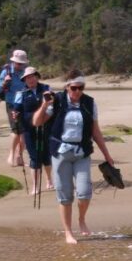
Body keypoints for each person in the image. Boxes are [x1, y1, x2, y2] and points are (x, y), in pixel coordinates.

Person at [31, 70, 116, 244]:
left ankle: (81, 219)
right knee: (65, 195)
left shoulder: (89, 103)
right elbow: (37, 122)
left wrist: (107, 154)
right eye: (74, 88)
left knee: (84, 193)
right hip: (60, 153)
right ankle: (68, 232)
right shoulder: (58, 100)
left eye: (81, 88)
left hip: (82, 153)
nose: (77, 92)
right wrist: (44, 105)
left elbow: (96, 132)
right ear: (67, 87)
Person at [12, 66, 54, 194]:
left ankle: (49, 180)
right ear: (24, 80)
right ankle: (35, 186)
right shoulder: (21, 93)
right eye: (27, 78)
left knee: (46, 155)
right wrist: (15, 114)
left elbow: (52, 104)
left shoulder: (46, 89)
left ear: (37, 77)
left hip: (46, 126)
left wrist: (46, 117)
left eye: (32, 76)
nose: (30, 80)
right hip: (28, 128)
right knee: (34, 157)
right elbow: (16, 108)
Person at [0, 49, 29, 165]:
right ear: (13, 62)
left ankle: (19, 156)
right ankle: (11, 154)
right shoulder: (7, 71)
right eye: (18, 63)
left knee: (24, 131)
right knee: (16, 130)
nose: (20, 65)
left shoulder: (27, 72)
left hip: (25, 103)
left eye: (22, 63)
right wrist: (4, 82)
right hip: (11, 104)